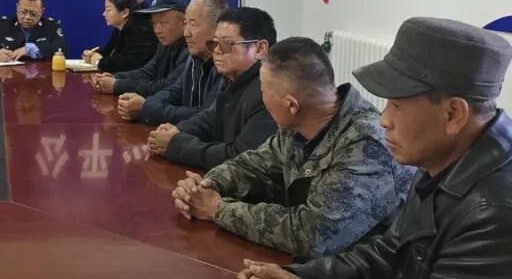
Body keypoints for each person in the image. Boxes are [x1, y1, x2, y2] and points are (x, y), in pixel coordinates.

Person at [234, 18, 512, 279]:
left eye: (396, 105)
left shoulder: (494, 211)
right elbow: (386, 253)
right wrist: (297, 277)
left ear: (453, 113)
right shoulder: (444, 160)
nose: (383, 120)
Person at [172, 37, 413, 258]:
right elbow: (252, 165)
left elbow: (312, 234)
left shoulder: (366, 145)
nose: (261, 98)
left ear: (291, 105)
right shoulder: (298, 127)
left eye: (263, 91)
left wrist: (217, 209)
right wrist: (208, 186)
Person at [148, 6, 278, 170]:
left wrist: (176, 145)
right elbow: (210, 119)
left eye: (226, 44)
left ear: (259, 48)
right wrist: (176, 130)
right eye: (214, 43)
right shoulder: (231, 79)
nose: (216, 51)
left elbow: (242, 157)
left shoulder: (271, 92)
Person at [123, 0, 228, 125]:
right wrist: (146, 105)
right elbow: (174, 91)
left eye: (193, 24)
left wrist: (146, 108)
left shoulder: (227, 66)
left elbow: (206, 116)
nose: (186, 33)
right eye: (186, 24)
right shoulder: (194, 58)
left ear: (217, 27)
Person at [92, 0, 188, 97]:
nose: (157, 30)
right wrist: (115, 77)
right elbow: (147, 72)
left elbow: (167, 86)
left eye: (162, 23)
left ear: (183, 23)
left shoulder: (191, 50)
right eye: (154, 23)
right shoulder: (165, 44)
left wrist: (116, 85)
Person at [81, 0, 158, 73]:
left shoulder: (141, 32)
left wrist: (98, 62)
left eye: (108, 10)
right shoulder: (119, 28)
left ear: (125, 12)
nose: (104, 14)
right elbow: (108, 52)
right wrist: (92, 55)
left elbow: (127, 64)